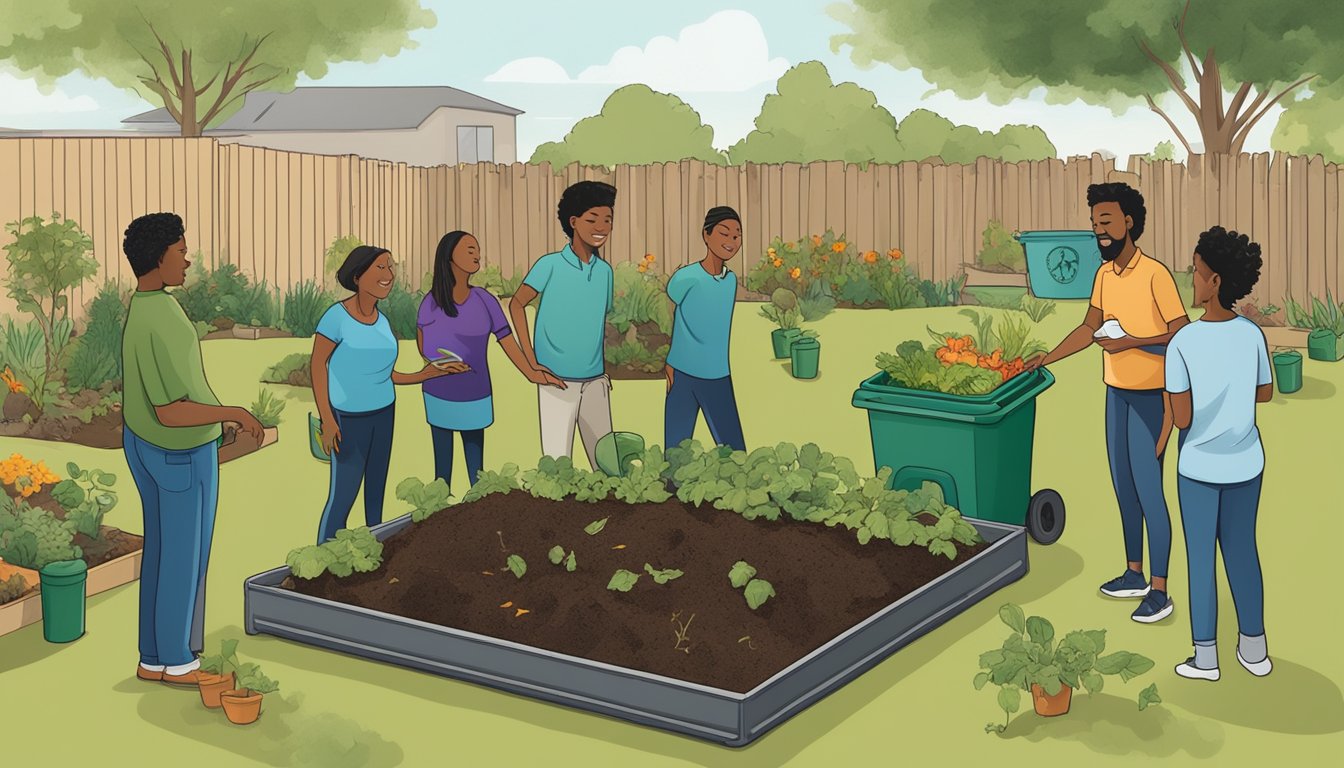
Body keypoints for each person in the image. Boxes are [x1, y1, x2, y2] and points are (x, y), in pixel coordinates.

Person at [1025, 182, 1189, 624]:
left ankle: (1161, 591)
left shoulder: (1154, 274)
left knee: (1151, 493)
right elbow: (1088, 328)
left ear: (1128, 222)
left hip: (1152, 399)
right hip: (1116, 395)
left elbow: (1181, 332)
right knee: (1124, 489)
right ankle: (1133, 573)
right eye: (1095, 222)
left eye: (1106, 221)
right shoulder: (1102, 276)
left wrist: (1133, 342)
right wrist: (1049, 356)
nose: (1098, 230)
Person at [121, 212, 265, 686]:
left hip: (146, 444)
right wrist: (234, 414)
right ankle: (179, 659)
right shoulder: (160, 315)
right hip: (177, 450)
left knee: (163, 551)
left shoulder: (145, 306)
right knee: (185, 553)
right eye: (181, 251)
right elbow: (172, 409)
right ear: (158, 257)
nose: (188, 258)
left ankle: (154, 656)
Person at [1166, 226, 1274, 681]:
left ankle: (1205, 657)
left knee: (1200, 559)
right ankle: (1255, 650)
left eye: (1196, 272)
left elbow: (1182, 418)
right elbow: (1265, 393)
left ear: (1215, 283)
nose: (1191, 279)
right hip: (1246, 462)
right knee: (1242, 551)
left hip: (1198, 469)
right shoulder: (1250, 334)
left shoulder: (1183, 344)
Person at [311, 245, 467, 544]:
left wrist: (430, 372)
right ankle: (322, 559)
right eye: (380, 268)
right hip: (349, 419)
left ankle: (375, 555)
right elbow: (318, 366)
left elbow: (387, 374)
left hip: (383, 414)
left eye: (391, 267)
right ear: (358, 276)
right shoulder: (336, 318)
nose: (389, 274)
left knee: (375, 494)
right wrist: (327, 420)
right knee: (343, 495)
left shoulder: (382, 322)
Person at [416, 231, 563, 490]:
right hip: (438, 394)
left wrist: (531, 373)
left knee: (477, 475)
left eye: (478, 250)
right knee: (441, 477)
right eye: (469, 250)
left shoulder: (484, 300)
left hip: (476, 394)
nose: (477, 255)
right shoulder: (431, 302)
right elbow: (423, 345)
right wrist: (439, 363)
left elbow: (507, 340)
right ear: (449, 255)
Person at [508, 181, 617, 469]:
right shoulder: (550, 265)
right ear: (573, 222)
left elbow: (597, 322)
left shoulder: (605, 272)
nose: (602, 227)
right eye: (593, 219)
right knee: (557, 470)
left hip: (595, 382)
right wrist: (531, 361)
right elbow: (516, 304)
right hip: (556, 382)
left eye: (608, 220)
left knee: (608, 470)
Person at [663, 206, 746, 453]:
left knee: (736, 454)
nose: (732, 241)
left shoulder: (730, 281)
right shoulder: (685, 278)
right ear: (706, 235)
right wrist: (669, 360)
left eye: (737, 235)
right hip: (683, 374)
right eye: (724, 233)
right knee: (675, 456)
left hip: (718, 374)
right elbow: (668, 313)